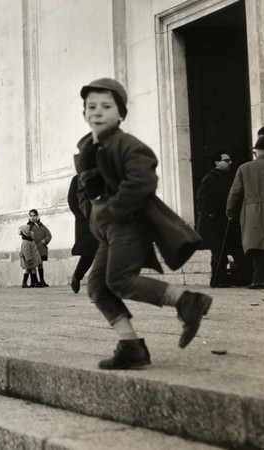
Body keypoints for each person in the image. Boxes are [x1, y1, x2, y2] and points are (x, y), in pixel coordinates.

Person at [76, 78, 212, 370]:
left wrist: (111, 210)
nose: (97, 112)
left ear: (121, 114)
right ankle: (131, 346)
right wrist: (91, 213)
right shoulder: (88, 148)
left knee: (120, 280)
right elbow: (84, 187)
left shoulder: (129, 145)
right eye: (91, 107)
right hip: (107, 231)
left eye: (106, 106)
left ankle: (187, 300)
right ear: (84, 113)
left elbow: (142, 180)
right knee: (99, 287)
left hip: (130, 224)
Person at [227, 136, 264, 288]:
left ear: (255, 152)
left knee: (256, 245)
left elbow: (235, 192)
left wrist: (230, 211)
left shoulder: (244, 168)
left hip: (253, 211)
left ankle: (259, 279)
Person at [196, 151, 246, 287]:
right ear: (217, 163)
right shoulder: (211, 178)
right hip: (214, 224)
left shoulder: (226, 177)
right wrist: (212, 213)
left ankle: (219, 278)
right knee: (219, 251)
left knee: (223, 250)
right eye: (226, 160)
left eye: (230, 160)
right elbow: (202, 198)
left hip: (223, 223)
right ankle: (219, 279)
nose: (230, 162)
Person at [67, 174, 98, 293]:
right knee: (90, 252)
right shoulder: (77, 179)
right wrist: (84, 215)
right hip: (86, 221)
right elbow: (72, 201)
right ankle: (77, 275)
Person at [27, 209, 52, 287]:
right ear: (29, 217)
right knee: (32, 265)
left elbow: (49, 234)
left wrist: (45, 240)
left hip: (41, 249)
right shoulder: (28, 226)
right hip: (33, 249)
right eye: (31, 216)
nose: (33, 217)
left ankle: (42, 280)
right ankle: (33, 281)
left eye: (34, 215)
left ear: (37, 216)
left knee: (40, 264)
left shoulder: (41, 225)